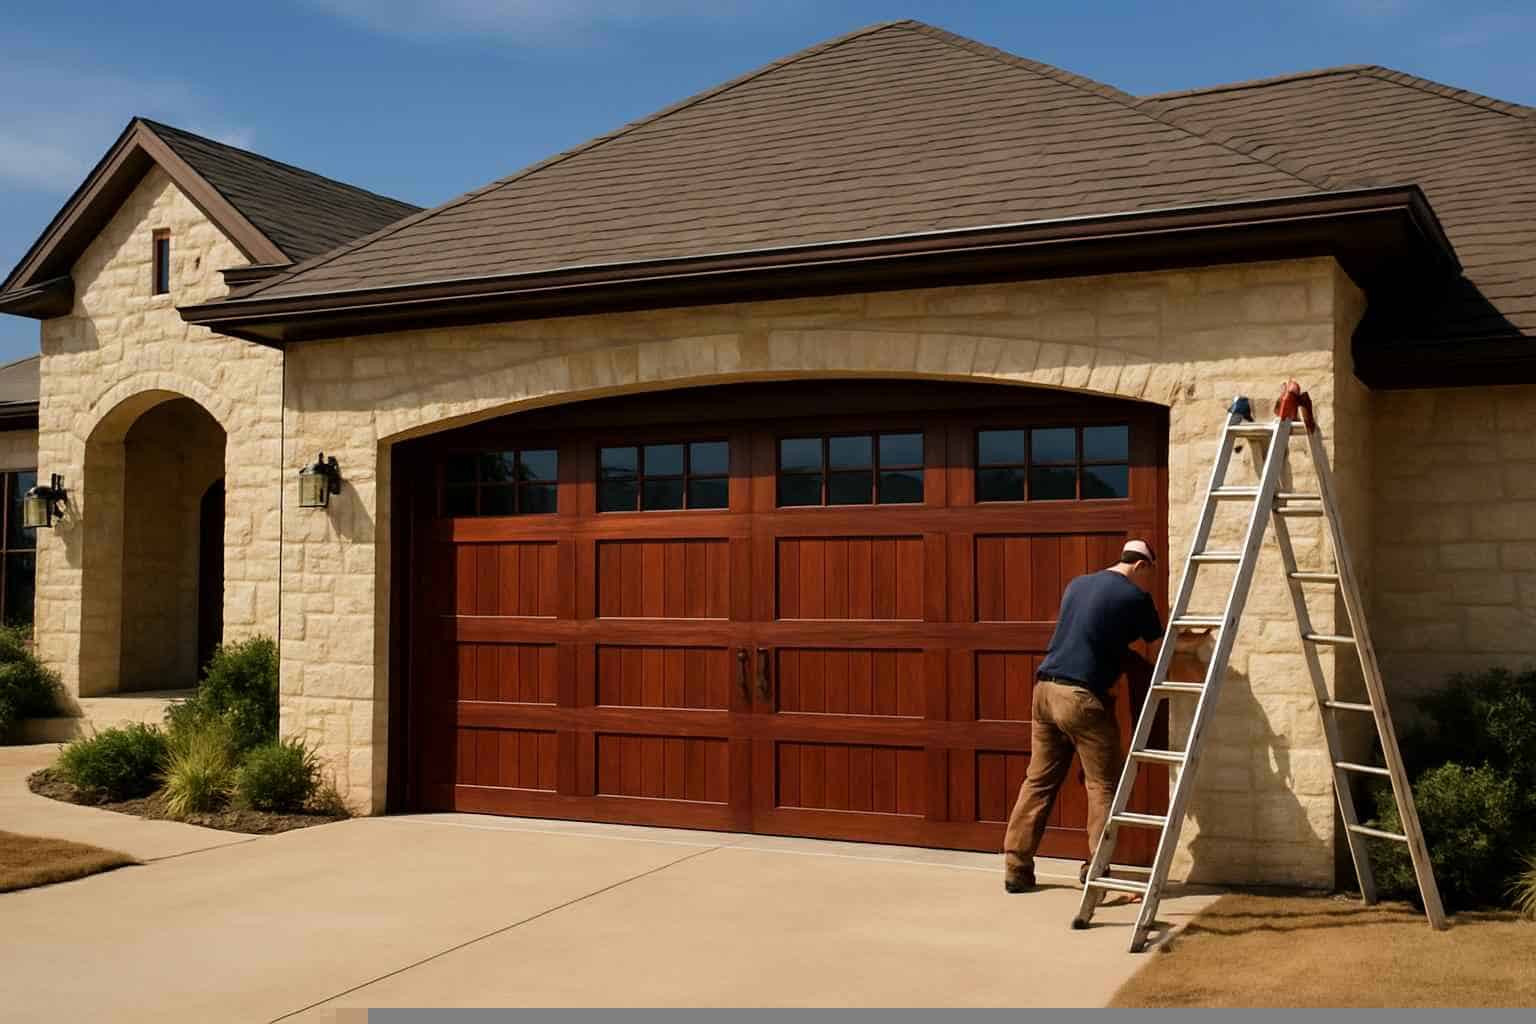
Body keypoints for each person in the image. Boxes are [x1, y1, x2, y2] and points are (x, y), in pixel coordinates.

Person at [1001, 539, 1187, 893]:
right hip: (1082, 697)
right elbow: (1161, 645)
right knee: (1102, 785)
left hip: (1044, 691)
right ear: (1142, 566)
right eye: (1150, 574)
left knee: (1038, 781)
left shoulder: (1078, 583)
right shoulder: (1135, 597)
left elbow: (1091, 633)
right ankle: (1097, 868)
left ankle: (1016, 867)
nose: (1149, 582)